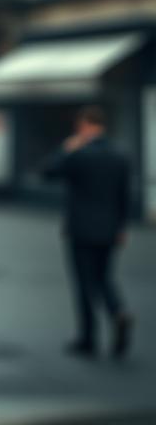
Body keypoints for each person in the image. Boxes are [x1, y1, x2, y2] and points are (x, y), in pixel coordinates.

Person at [40, 104, 134, 360]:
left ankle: (88, 338)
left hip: (81, 229)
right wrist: (121, 226)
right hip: (110, 229)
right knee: (104, 277)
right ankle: (118, 312)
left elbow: (48, 173)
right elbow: (124, 196)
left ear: (84, 126)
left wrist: (66, 149)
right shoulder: (119, 155)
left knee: (83, 283)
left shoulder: (78, 155)